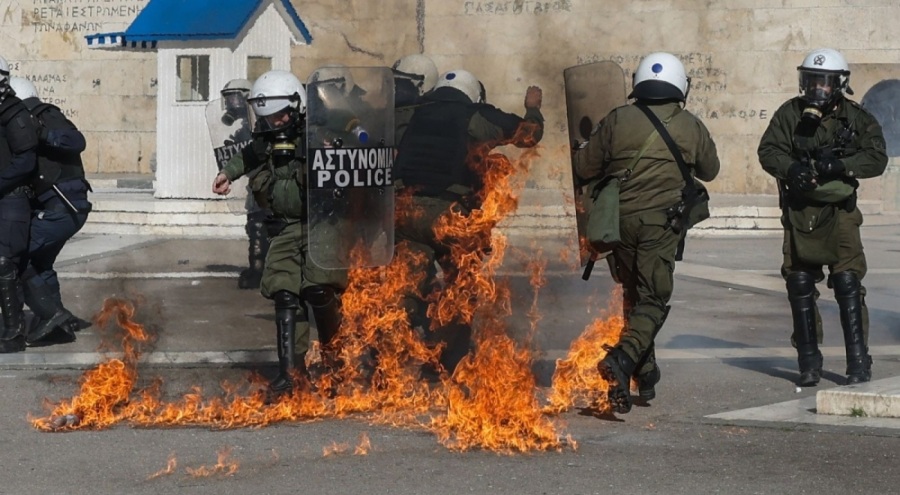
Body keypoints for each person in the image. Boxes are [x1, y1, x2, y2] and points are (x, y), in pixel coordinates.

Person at [574, 52, 720, 413]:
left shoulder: (617, 119)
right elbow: (710, 169)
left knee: (633, 293)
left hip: (618, 222)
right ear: (680, 86)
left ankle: (645, 370)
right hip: (661, 224)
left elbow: (585, 166)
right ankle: (623, 360)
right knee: (653, 298)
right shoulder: (690, 124)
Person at [393, 68, 544, 375]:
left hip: (406, 214)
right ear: (472, 94)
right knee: (461, 286)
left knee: (406, 288)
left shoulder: (411, 114)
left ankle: (392, 356)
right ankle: (449, 360)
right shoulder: (476, 116)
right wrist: (533, 108)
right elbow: (529, 134)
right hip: (451, 217)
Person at [212, 70, 347, 398]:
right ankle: (291, 375)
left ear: (297, 106)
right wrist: (226, 173)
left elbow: (356, 150)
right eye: (268, 118)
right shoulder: (265, 140)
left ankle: (335, 362)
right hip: (286, 226)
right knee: (285, 293)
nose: (275, 123)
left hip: (322, 224)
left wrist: (336, 147)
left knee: (319, 289)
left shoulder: (318, 133)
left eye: (280, 115)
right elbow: (246, 156)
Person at [758, 48, 887, 387]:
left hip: (839, 212)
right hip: (800, 211)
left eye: (826, 82)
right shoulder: (790, 114)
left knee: (847, 283)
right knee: (799, 283)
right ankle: (809, 362)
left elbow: (877, 158)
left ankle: (858, 362)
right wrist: (792, 169)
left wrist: (842, 165)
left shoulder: (855, 118)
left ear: (840, 84)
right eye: (813, 80)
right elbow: (768, 150)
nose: (819, 88)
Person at [5, 77, 92, 345]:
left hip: (62, 206)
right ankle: (60, 319)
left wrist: (41, 134)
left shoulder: (41, 115)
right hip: (63, 207)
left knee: (17, 259)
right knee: (40, 262)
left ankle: (53, 314)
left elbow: (77, 141)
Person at [0, 58, 40, 353]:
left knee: (5, 264)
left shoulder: (15, 113)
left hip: (12, 199)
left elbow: (25, 160)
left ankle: (13, 334)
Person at [219, 78, 271, 290]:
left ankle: (263, 270)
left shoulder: (265, 122)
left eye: (235, 97)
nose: (231, 103)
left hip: (271, 185)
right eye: (228, 98)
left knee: (264, 227)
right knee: (255, 226)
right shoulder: (243, 129)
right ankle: (257, 269)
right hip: (256, 187)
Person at [391, 54, 439, 142]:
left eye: (401, 83)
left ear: (421, 87)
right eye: (394, 82)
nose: (394, 88)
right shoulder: (395, 112)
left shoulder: (423, 120)